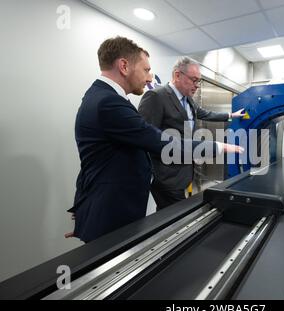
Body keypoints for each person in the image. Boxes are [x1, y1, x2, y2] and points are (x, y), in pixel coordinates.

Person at [67, 37, 242, 243]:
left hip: (106, 204)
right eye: (146, 70)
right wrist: (218, 146)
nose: (150, 78)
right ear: (124, 66)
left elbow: (95, 159)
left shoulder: (100, 97)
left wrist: (84, 203)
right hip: (112, 209)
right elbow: (160, 141)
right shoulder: (108, 102)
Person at [138, 57, 245, 210]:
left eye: (199, 82)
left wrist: (231, 115)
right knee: (174, 216)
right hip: (166, 176)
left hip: (186, 172)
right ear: (177, 75)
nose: (197, 86)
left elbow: (205, 114)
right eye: (194, 80)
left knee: (168, 216)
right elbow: (145, 138)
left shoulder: (188, 100)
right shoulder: (156, 96)